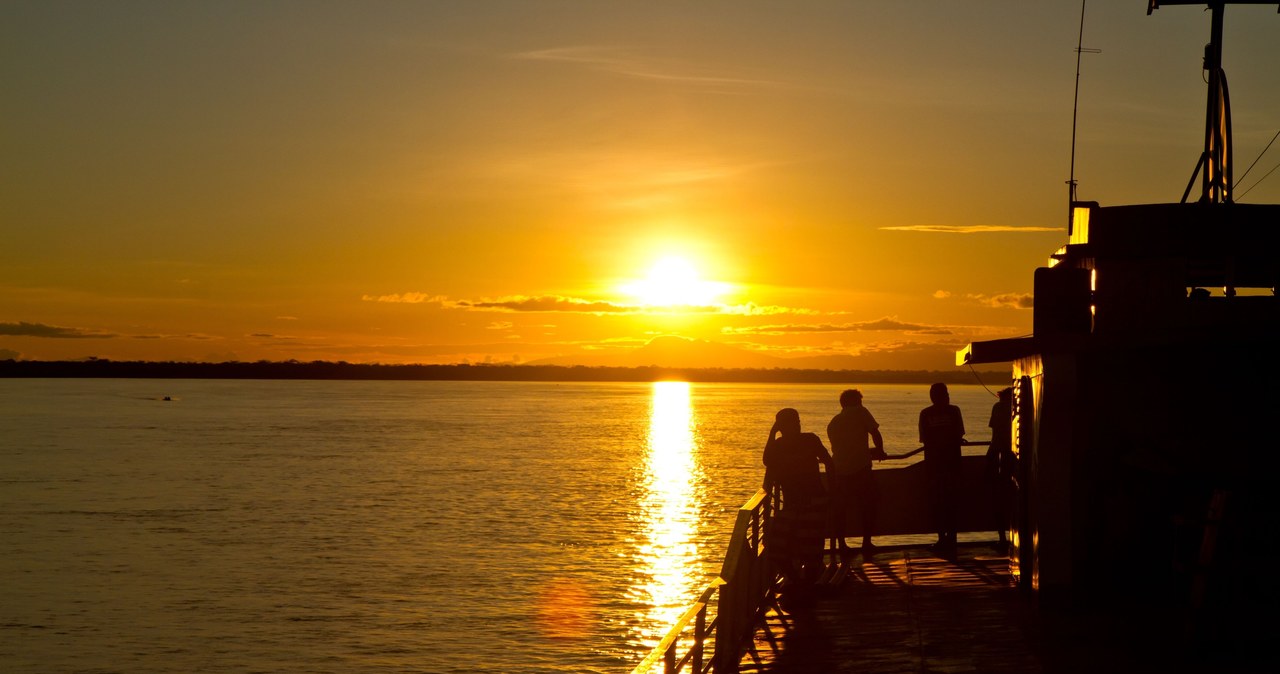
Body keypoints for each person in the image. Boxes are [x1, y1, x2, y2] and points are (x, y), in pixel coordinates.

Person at [763, 408, 832, 585]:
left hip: (814, 501)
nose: (798, 425)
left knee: (810, 548)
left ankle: (806, 581)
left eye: (798, 421)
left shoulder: (810, 439)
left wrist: (831, 489)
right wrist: (773, 432)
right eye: (794, 422)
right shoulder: (778, 446)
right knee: (776, 549)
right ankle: (797, 580)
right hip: (792, 504)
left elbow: (828, 462)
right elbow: (767, 460)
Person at [826, 388, 887, 555]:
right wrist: (880, 450)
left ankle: (842, 544)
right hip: (861, 469)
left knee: (841, 510)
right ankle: (866, 542)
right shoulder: (860, 412)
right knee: (868, 505)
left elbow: (843, 446)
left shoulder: (834, 422)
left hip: (839, 470)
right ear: (856, 402)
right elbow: (874, 432)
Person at [919, 382, 965, 558]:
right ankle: (951, 538)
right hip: (952, 464)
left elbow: (925, 439)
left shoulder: (925, 413)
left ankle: (942, 539)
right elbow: (959, 433)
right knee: (951, 501)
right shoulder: (954, 411)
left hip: (934, 465)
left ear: (931, 396)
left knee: (938, 502)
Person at [986, 387, 1015, 549]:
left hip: (1000, 457)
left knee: (999, 499)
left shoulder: (998, 407)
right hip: (1012, 458)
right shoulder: (1014, 407)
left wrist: (989, 457)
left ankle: (1002, 538)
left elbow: (995, 436)